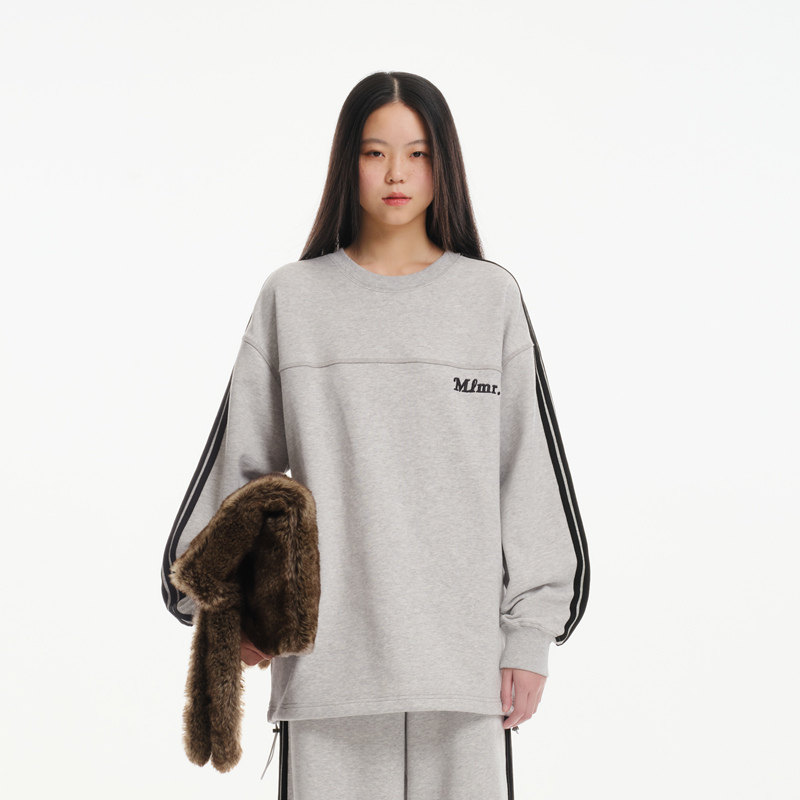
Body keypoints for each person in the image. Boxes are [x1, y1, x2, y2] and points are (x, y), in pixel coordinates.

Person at [160, 71, 590, 799]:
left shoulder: (489, 298)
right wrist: (226, 610)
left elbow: (528, 476)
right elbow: (238, 472)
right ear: (347, 163)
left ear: (444, 165)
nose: (397, 174)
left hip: (464, 675)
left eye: (418, 154)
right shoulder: (293, 298)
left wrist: (529, 636)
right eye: (374, 152)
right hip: (328, 675)